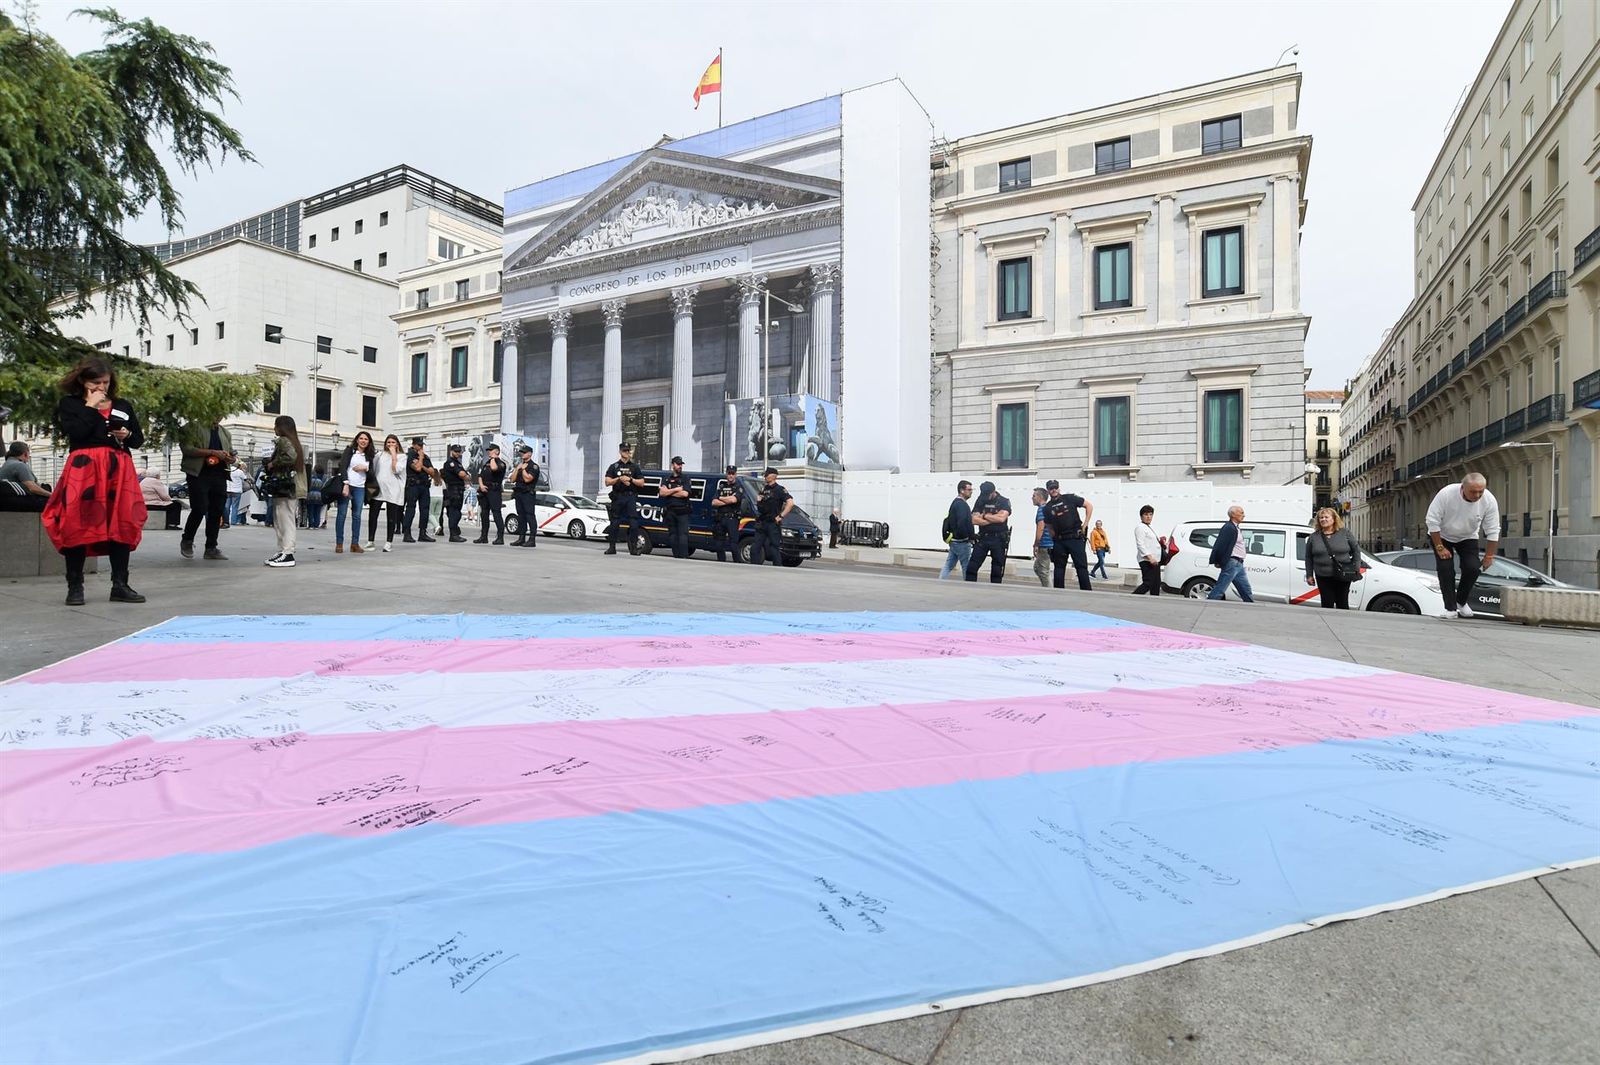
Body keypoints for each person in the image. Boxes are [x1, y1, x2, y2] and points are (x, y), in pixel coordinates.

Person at [42, 356, 147, 604]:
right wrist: (91, 406)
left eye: (106, 383)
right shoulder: (70, 404)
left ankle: (120, 584)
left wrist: (127, 433)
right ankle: (75, 587)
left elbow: (138, 440)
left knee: (121, 521)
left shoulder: (123, 404)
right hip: (84, 468)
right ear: (82, 381)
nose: (102, 388)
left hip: (118, 468)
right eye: (96, 383)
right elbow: (77, 433)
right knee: (77, 523)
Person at [1426, 472, 1500, 619]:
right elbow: (1432, 521)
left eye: (1481, 491)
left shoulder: (1489, 500)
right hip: (1441, 535)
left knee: (1473, 568)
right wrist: (1440, 548)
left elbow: (1493, 529)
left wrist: (1489, 556)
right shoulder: (1447, 494)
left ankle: (1461, 601)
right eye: (1473, 491)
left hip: (1468, 536)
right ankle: (1450, 608)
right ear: (1463, 487)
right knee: (1446, 569)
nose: (1478, 495)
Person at [177, 419, 233, 561]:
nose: (219, 414)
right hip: (198, 474)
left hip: (220, 475)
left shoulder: (225, 433)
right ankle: (187, 540)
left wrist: (230, 458)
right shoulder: (191, 427)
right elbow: (187, 449)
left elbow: (230, 453)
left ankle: (211, 548)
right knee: (199, 508)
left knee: (217, 511)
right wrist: (212, 452)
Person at [263, 415, 307, 567]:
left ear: (281, 427)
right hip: (290, 487)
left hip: (286, 487)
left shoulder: (283, 440)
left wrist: (272, 464)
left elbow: (290, 457)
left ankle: (288, 552)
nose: (273, 428)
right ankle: (283, 550)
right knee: (282, 519)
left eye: (275, 425)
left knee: (284, 519)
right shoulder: (294, 441)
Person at [1305, 506, 1362, 610]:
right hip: (1323, 575)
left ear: (1334, 519)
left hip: (1343, 574)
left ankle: (1342, 624)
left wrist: (1356, 568)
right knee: (1327, 603)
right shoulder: (1313, 537)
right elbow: (1308, 557)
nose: (1323, 519)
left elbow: (1356, 551)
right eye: (1321, 518)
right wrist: (1309, 575)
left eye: (1326, 517)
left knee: (1342, 602)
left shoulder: (1345, 533)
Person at [1042, 480, 1092, 591]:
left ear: (1059, 488)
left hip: (1075, 538)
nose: (1054, 490)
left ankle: (1087, 592)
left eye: (1055, 487)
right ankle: (1058, 594)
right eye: (1051, 488)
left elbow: (1088, 505)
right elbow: (1048, 525)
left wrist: (1085, 524)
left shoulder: (1069, 498)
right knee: (1059, 568)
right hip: (1059, 541)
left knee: (1081, 567)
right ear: (1048, 490)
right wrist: (1053, 537)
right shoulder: (1047, 508)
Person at [333, 431, 373, 554]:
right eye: (361, 438)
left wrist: (365, 468)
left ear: (369, 441)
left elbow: (373, 472)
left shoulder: (370, 455)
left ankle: (354, 544)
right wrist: (345, 483)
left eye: (366, 439)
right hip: (348, 485)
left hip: (360, 488)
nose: (363, 441)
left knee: (357, 516)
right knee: (342, 514)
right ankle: (339, 543)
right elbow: (342, 466)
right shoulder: (350, 451)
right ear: (357, 440)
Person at [965, 481, 1011, 584]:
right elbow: (973, 519)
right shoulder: (981, 500)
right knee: (972, 568)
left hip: (998, 539)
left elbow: (1001, 519)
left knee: (996, 570)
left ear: (993, 492)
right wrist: (992, 519)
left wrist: (985, 516)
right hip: (983, 538)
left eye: (988, 494)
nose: (986, 497)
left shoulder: (1003, 501)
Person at [1206, 505, 1255, 602]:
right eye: (1241, 513)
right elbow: (1221, 545)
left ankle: (1250, 605)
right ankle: (1209, 603)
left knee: (1246, 589)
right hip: (1232, 563)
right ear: (1233, 514)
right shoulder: (1228, 528)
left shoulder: (1235, 527)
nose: (1243, 515)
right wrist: (1218, 561)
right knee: (1220, 588)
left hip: (1239, 564)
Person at [603, 441, 642, 556]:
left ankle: (633, 548)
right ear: (620, 452)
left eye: (628, 450)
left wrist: (631, 480)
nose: (627, 453)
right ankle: (612, 547)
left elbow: (642, 482)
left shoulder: (634, 467)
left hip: (630, 496)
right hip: (618, 496)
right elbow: (607, 482)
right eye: (624, 450)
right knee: (615, 523)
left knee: (634, 523)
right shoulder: (614, 466)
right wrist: (619, 479)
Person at [371, 434, 407, 553]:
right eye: (388, 442)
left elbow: (396, 469)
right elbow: (373, 468)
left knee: (391, 517)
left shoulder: (402, 456)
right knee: (373, 515)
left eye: (393, 442)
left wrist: (393, 455)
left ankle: (388, 542)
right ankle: (371, 540)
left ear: (397, 444)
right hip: (379, 490)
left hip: (393, 490)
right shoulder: (379, 455)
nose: (390, 444)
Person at [750, 466, 792, 565]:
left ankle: (777, 570)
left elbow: (790, 503)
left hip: (773, 523)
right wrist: (759, 501)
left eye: (767, 475)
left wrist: (781, 516)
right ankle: (754, 568)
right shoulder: (763, 489)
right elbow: (760, 507)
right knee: (755, 548)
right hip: (762, 522)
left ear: (774, 476)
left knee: (774, 549)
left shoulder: (780, 490)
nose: (765, 477)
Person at [402, 437, 436, 543]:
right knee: (410, 509)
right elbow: (416, 468)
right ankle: (407, 533)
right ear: (413, 445)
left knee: (425, 509)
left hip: (424, 486)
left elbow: (432, 472)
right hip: (413, 485)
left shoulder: (426, 457)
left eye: (422, 445)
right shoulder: (410, 455)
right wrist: (420, 459)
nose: (421, 447)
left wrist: (422, 465)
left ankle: (423, 533)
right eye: (419, 445)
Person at [939, 480, 975, 580]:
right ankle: (968, 585)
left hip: (954, 540)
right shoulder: (961, 505)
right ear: (962, 490)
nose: (971, 491)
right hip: (961, 541)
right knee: (966, 566)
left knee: (949, 564)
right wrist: (969, 537)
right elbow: (963, 522)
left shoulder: (955, 503)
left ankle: (941, 581)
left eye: (971, 489)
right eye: (969, 489)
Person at [659, 456, 694, 558]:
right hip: (670, 511)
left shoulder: (685, 478)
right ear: (673, 465)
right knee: (672, 535)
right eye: (678, 464)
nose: (680, 466)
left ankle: (683, 556)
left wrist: (669, 492)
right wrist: (677, 489)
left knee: (683, 535)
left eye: (681, 464)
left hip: (682, 511)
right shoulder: (667, 478)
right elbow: (662, 492)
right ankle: (676, 556)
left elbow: (685, 494)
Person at [0, 442, 51, 511]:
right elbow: (32, 488)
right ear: (25, 454)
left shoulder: (5, 465)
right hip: (18, 501)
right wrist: (52, 495)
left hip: (5, 501)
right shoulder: (20, 465)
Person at [473, 443, 507, 545]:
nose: (489, 452)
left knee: (496, 514)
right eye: (488, 450)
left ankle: (500, 537)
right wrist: (481, 485)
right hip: (484, 491)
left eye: (491, 450)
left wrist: (493, 458)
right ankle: (483, 536)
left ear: (496, 451)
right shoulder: (485, 463)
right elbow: (480, 475)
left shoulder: (501, 463)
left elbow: (494, 468)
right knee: (484, 514)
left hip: (494, 491)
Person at [710, 464, 743, 563]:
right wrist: (726, 500)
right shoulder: (721, 487)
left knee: (733, 545)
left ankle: (737, 564)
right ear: (726, 474)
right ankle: (721, 563)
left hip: (732, 519)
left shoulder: (738, 487)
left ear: (735, 474)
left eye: (733, 474)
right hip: (721, 518)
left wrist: (721, 498)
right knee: (719, 545)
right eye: (729, 473)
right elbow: (713, 502)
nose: (731, 476)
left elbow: (734, 500)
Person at [510, 444, 540, 547]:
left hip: (528, 494)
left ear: (530, 454)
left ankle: (532, 539)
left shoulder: (533, 466)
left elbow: (528, 479)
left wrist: (523, 470)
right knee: (521, 516)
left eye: (524, 452)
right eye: (521, 452)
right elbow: (512, 479)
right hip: (518, 493)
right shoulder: (520, 465)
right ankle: (521, 538)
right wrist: (517, 469)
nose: (522, 454)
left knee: (530, 516)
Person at [440, 443, 469, 542]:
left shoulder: (458, 463)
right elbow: (462, 474)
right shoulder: (450, 463)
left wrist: (465, 475)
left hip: (459, 489)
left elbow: (467, 476)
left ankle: (455, 531)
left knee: (457, 513)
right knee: (454, 513)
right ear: (451, 451)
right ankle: (453, 534)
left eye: (459, 451)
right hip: (453, 490)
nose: (457, 453)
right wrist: (464, 475)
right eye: (455, 451)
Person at [1132, 505, 1163, 595]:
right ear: (1141, 516)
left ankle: (1155, 602)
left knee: (1156, 584)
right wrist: (1150, 558)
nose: (1149, 517)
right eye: (1146, 514)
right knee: (1148, 583)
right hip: (1147, 560)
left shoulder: (1150, 527)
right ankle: (1131, 598)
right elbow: (1140, 544)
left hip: (1156, 560)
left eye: (1150, 514)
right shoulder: (1140, 528)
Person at [1030, 488, 1054, 588]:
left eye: (1034, 496)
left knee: (1043, 571)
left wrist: (1036, 544)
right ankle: (1049, 585)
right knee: (1037, 568)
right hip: (1049, 543)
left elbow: (1041, 527)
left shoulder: (1042, 509)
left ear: (1040, 497)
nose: (1032, 498)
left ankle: (1049, 591)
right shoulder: (1048, 508)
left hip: (1045, 544)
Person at [225, 461, 248, 528]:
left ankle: (226, 521)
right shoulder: (239, 472)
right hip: (237, 491)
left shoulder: (227, 470)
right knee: (235, 506)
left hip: (228, 490)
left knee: (227, 506)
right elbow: (245, 478)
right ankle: (233, 521)